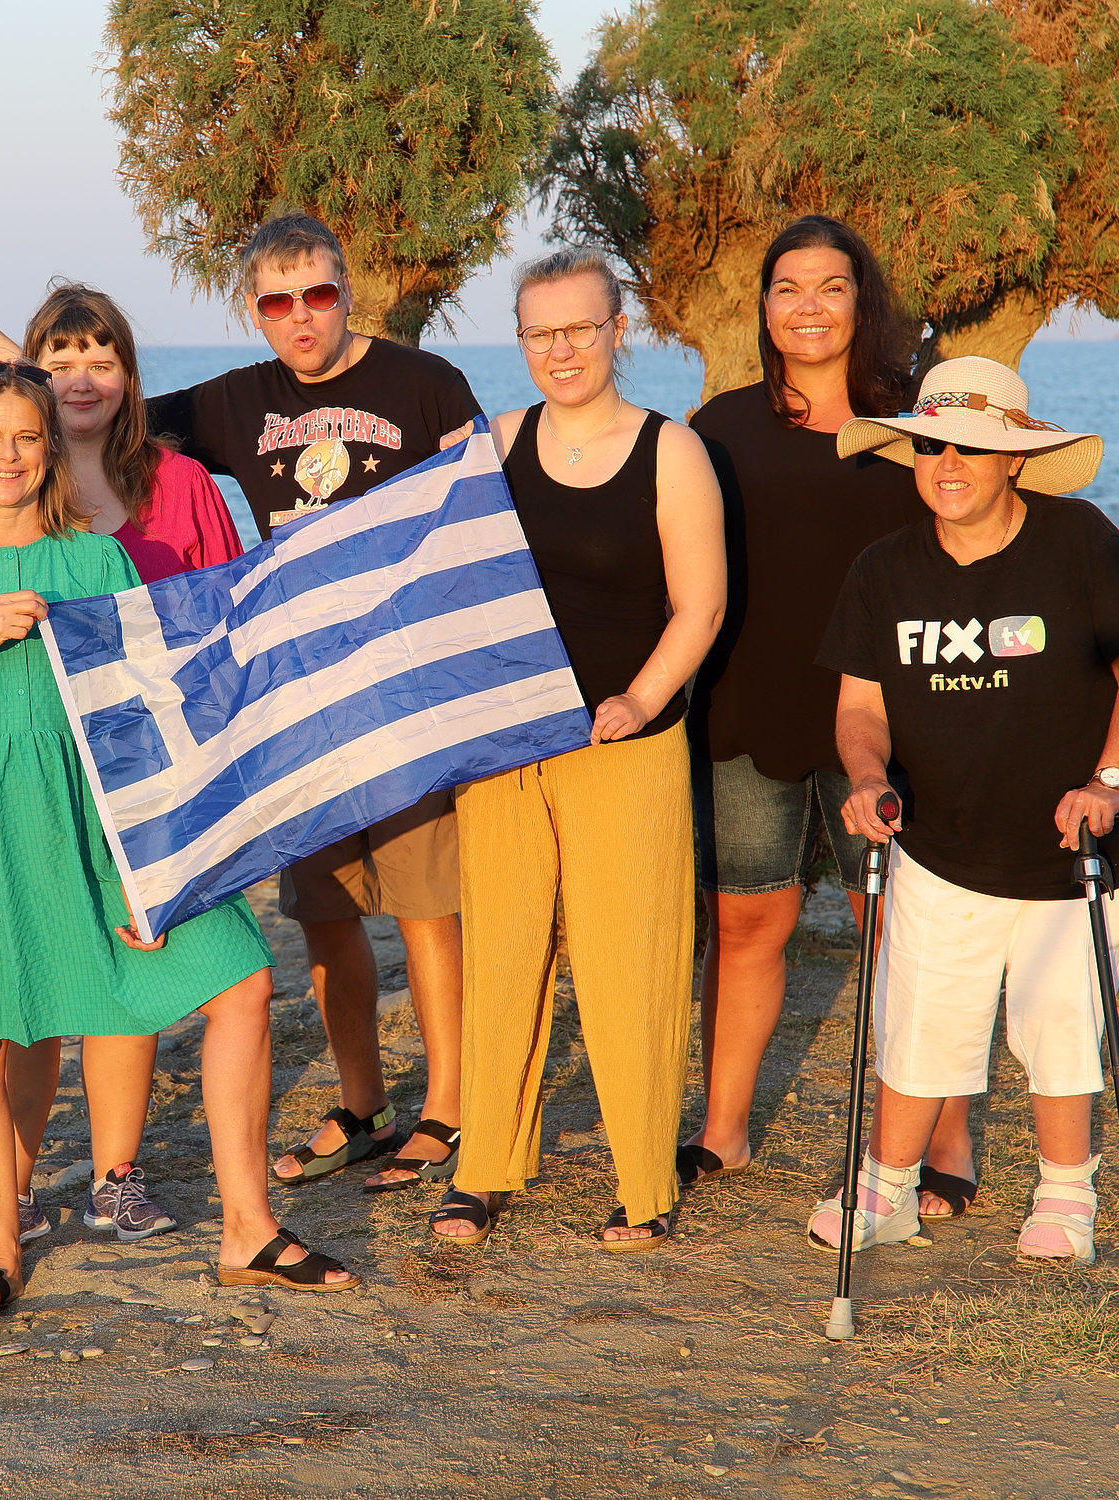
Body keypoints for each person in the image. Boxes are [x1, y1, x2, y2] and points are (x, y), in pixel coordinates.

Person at [0, 214, 483, 1193]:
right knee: (325, 909)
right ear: (256, 312)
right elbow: (63, 395)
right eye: (278, 301)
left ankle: (446, 1109)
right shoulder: (214, 414)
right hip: (260, 720)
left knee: (425, 903)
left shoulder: (421, 384)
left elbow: (486, 504)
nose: (301, 315)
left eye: (318, 293)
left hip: (391, 682)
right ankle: (363, 1102)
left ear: (345, 285)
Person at [0, 362, 357, 1321]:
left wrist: (154, 866)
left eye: (27, 438)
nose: (8, 455)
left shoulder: (96, 559)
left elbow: (149, 714)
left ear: (52, 451)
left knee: (241, 980)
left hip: (100, 817)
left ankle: (248, 1230)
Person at [810, 355, 1119, 1262]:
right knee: (921, 1019)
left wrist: (1110, 784)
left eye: (973, 446)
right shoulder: (882, 570)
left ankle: (1065, 1197)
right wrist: (864, 777)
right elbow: (860, 709)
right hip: (938, 845)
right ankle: (886, 1191)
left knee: (1061, 1025)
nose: (949, 463)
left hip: (1070, 846)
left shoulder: (1079, 539)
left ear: (1014, 458)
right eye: (932, 444)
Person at [0, 278, 246, 1249]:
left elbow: (222, 617)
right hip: (32, 767)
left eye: (102, 360)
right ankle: (12, 1187)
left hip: (144, 758)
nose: (82, 379)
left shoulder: (177, 483)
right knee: (28, 986)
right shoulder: (29, 490)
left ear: (130, 376)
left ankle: (116, 1174)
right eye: (60, 363)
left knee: (124, 970)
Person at [427, 250, 726, 1250]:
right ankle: (482, 1169)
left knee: (626, 962)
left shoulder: (669, 451)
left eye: (580, 329)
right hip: (508, 748)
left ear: (617, 332)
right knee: (505, 955)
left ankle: (645, 1182)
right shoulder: (494, 442)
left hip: (629, 745)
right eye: (540, 333)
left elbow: (700, 604)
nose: (561, 350)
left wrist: (640, 698)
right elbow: (442, 587)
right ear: (522, 343)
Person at [684, 216, 978, 1218]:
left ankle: (948, 1139)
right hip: (746, 708)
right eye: (788, 289)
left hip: (888, 720)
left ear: (864, 300)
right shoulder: (718, 426)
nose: (809, 307)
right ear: (763, 307)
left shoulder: (914, 422)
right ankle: (722, 1131)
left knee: (896, 925)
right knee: (747, 921)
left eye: (832, 287)